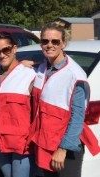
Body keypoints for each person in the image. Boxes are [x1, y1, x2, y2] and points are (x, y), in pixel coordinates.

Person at [28, 22, 100, 177]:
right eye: (45, 41)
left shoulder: (75, 75)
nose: (49, 45)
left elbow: (78, 116)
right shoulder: (42, 68)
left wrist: (63, 148)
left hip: (64, 148)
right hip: (44, 143)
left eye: (55, 41)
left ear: (63, 44)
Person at [0, 32, 36, 177]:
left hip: (21, 144)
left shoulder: (29, 74)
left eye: (6, 50)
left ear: (14, 49)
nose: (2, 55)